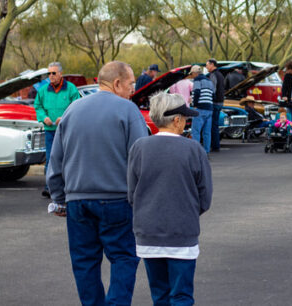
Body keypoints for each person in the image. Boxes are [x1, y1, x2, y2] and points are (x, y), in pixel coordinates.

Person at [46, 61, 147, 306]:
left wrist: (59, 198)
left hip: (77, 201)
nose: (132, 90)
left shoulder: (72, 110)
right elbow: (140, 159)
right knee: (124, 257)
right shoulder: (128, 110)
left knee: (84, 262)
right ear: (117, 83)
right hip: (117, 200)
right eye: (131, 84)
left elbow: (55, 162)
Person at [127, 93, 212, 306]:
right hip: (182, 232)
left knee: (160, 295)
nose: (186, 121)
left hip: (148, 233)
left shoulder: (139, 147)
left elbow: (132, 193)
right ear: (176, 120)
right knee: (181, 295)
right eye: (184, 118)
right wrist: (188, 211)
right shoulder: (194, 149)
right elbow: (205, 196)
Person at [34, 62, 80, 197]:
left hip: (66, 130)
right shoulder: (43, 90)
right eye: (49, 73)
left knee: (67, 158)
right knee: (50, 158)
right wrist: (44, 117)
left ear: (60, 74)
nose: (51, 76)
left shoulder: (71, 89)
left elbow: (76, 106)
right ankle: (49, 187)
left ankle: (69, 186)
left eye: (53, 73)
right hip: (50, 130)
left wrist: (64, 117)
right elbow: (38, 106)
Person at [191, 66, 215, 152]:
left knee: (196, 131)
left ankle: (196, 151)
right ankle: (206, 151)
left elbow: (197, 92)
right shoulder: (209, 81)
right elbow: (213, 95)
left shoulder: (197, 80)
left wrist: (195, 105)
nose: (192, 75)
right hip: (209, 108)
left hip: (200, 108)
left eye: (192, 74)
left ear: (195, 73)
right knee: (207, 132)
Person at [206, 59, 225, 152]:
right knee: (215, 124)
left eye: (207, 65)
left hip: (214, 102)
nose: (206, 67)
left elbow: (212, 89)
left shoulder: (213, 75)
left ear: (212, 64)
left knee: (212, 125)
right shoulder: (220, 74)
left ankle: (214, 145)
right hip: (220, 101)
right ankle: (216, 145)